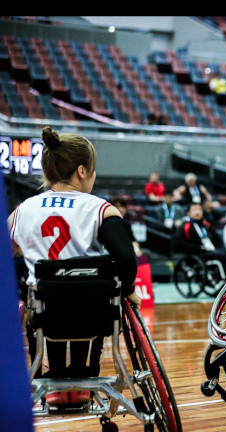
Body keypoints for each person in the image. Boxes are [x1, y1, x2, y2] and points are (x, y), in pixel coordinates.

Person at [8, 126, 140, 405]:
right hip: (92, 314)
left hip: (45, 315)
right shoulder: (100, 208)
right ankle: (85, 375)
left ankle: (52, 376)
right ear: (82, 171)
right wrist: (128, 289)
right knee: (89, 297)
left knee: (40, 300)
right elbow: (127, 258)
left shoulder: (23, 210)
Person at [172, 202, 226, 280]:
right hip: (197, 253)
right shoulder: (185, 226)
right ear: (188, 213)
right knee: (223, 257)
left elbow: (217, 239)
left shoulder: (206, 224)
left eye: (199, 209)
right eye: (194, 210)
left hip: (211, 250)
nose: (197, 212)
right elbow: (179, 243)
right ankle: (224, 281)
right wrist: (197, 248)